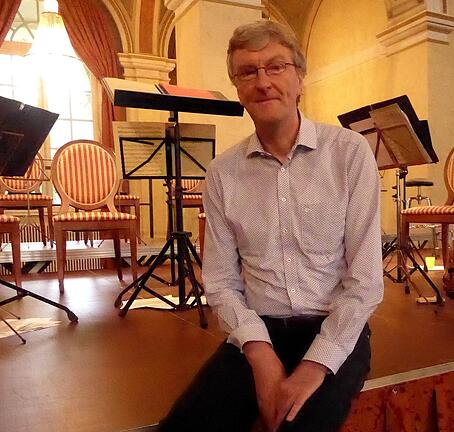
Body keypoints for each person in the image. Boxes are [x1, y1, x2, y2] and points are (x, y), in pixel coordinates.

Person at [158, 19, 383, 432]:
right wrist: (260, 356)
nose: (263, 82)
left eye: (276, 67)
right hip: (258, 331)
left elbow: (366, 281)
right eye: (249, 71)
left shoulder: (348, 154)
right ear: (239, 88)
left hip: (334, 329)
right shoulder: (222, 172)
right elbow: (222, 282)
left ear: (299, 78)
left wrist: (314, 366)